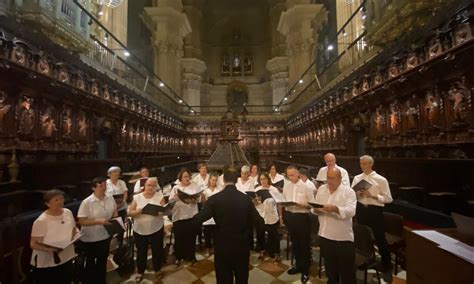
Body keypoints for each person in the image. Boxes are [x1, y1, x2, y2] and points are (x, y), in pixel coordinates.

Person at [193, 167, 259, 284]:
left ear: (223, 180)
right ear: (236, 180)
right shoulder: (246, 199)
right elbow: (259, 222)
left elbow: (198, 219)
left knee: (224, 278)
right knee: (241, 277)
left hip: (222, 245)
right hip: (241, 244)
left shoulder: (214, 199)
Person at [352, 155, 393, 282]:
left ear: (371, 164)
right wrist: (356, 193)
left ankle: (387, 266)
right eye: (360, 164)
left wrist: (373, 195)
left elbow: (389, 199)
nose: (362, 166)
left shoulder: (380, 179)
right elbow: (351, 194)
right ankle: (367, 259)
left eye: (364, 164)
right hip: (361, 209)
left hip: (374, 211)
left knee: (380, 238)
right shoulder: (358, 178)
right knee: (363, 237)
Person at [313, 167, 357, 284]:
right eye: (328, 178)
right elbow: (315, 207)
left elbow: (351, 211)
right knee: (331, 271)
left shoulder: (348, 192)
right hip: (325, 235)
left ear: (340, 178)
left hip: (342, 238)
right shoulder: (322, 189)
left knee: (347, 272)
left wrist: (335, 209)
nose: (330, 181)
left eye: (333, 178)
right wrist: (315, 210)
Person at [30, 190, 78, 284]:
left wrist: (76, 234)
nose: (60, 201)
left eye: (61, 198)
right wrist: (49, 249)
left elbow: (73, 228)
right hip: (49, 260)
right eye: (56, 200)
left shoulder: (67, 212)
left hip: (66, 255)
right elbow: (33, 244)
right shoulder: (41, 221)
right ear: (47, 203)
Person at [77, 177, 118, 284]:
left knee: (102, 261)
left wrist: (115, 219)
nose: (104, 188)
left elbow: (114, 211)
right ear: (93, 188)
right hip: (90, 238)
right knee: (90, 262)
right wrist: (98, 221)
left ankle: (101, 281)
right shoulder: (87, 202)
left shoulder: (110, 197)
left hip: (105, 235)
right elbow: (81, 221)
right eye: (101, 186)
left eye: (105, 185)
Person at [128, 178, 166, 282]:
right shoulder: (137, 197)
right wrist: (137, 212)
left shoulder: (159, 195)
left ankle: (157, 269)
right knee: (141, 251)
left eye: (153, 185)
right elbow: (130, 212)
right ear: (145, 185)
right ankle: (140, 271)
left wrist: (161, 212)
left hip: (156, 228)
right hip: (140, 230)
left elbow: (164, 210)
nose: (151, 187)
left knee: (157, 250)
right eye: (149, 185)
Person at [282, 166, 316, 283]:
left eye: (292, 175)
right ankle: (298, 265)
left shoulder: (306, 186)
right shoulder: (287, 186)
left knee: (304, 244)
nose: (290, 177)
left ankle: (305, 269)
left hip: (302, 217)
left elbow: (312, 205)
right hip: (290, 216)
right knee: (295, 243)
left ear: (298, 174)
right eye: (288, 175)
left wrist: (305, 206)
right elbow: (285, 199)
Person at [169, 168, 201, 265]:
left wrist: (194, 200)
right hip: (179, 216)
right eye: (185, 176)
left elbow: (198, 199)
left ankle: (191, 256)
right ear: (181, 178)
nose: (187, 178)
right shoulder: (176, 188)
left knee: (191, 237)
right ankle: (179, 257)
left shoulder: (195, 186)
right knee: (179, 238)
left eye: (188, 176)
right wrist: (175, 198)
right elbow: (170, 201)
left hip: (191, 215)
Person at [254, 173, 281, 262]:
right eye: (261, 179)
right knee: (260, 234)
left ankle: (275, 253)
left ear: (268, 179)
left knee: (273, 236)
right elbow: (254, 204)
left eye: (265, 178)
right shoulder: (257, 189)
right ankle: (262, 250)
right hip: (260, 215)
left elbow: (279, 204)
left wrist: (281, 217)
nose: (263, 181)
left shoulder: (273, 189)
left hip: (272, 216)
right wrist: (255, 201)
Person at [201, 173, 222, 257]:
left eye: (215, 180)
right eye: (212, 180)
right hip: (208, 213)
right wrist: (206, 200)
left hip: (217, 214)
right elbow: (202, 203)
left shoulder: (219, 190)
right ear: (209, 180)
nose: (214, 182)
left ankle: (216, 248)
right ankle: (207, 248)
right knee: (207, 233)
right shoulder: (205, 191)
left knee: (216, 233)